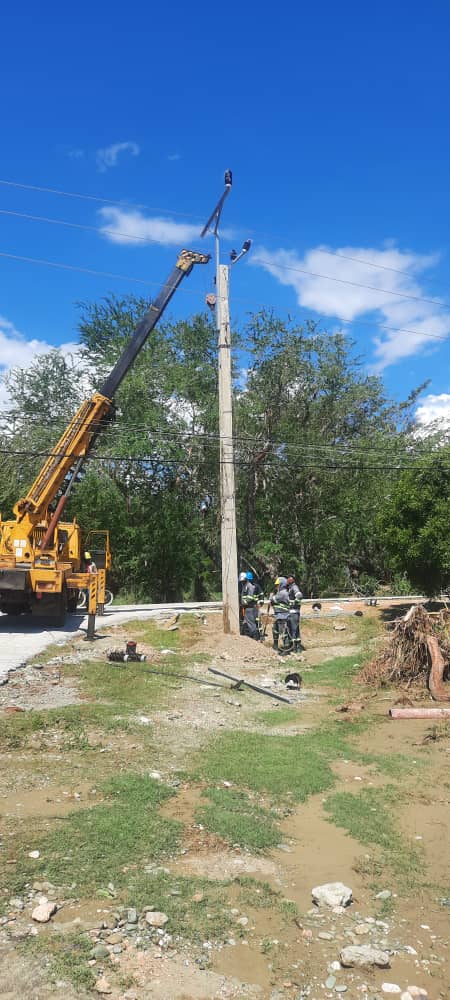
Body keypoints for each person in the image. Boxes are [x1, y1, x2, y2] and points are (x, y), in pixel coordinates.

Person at [270, 576, 292, 652]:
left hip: (283, 615)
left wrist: (271, 595)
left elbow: (272, 600)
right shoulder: (282, 592)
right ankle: (275, 645)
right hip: (279, 615)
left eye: (278, 585)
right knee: (275, 630)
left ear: (282, 584)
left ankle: (286, 648)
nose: (276, 586)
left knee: (283, 633)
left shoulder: (282, 593)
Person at [239, 570, 261, 641]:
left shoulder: (249, 586)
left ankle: (255, 636)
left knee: (251, 622)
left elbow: (250, 597)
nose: (242, 582)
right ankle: (252, 635)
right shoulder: (245, 586)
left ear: (245, 579)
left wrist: (244, 602)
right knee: (248, 622)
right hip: (247, 607)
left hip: (250, 607)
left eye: (243, 581)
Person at [287, 575, 303, 652]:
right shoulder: (290, 587)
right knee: (294, 629)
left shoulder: (294, 587)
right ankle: (296, 646)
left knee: (294, 629)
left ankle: (295, 647)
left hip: (294, 612)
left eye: (288, 579)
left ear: (292, 580)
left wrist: (293, 603)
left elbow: (299, 595)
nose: (287, 580)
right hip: (292, 612)